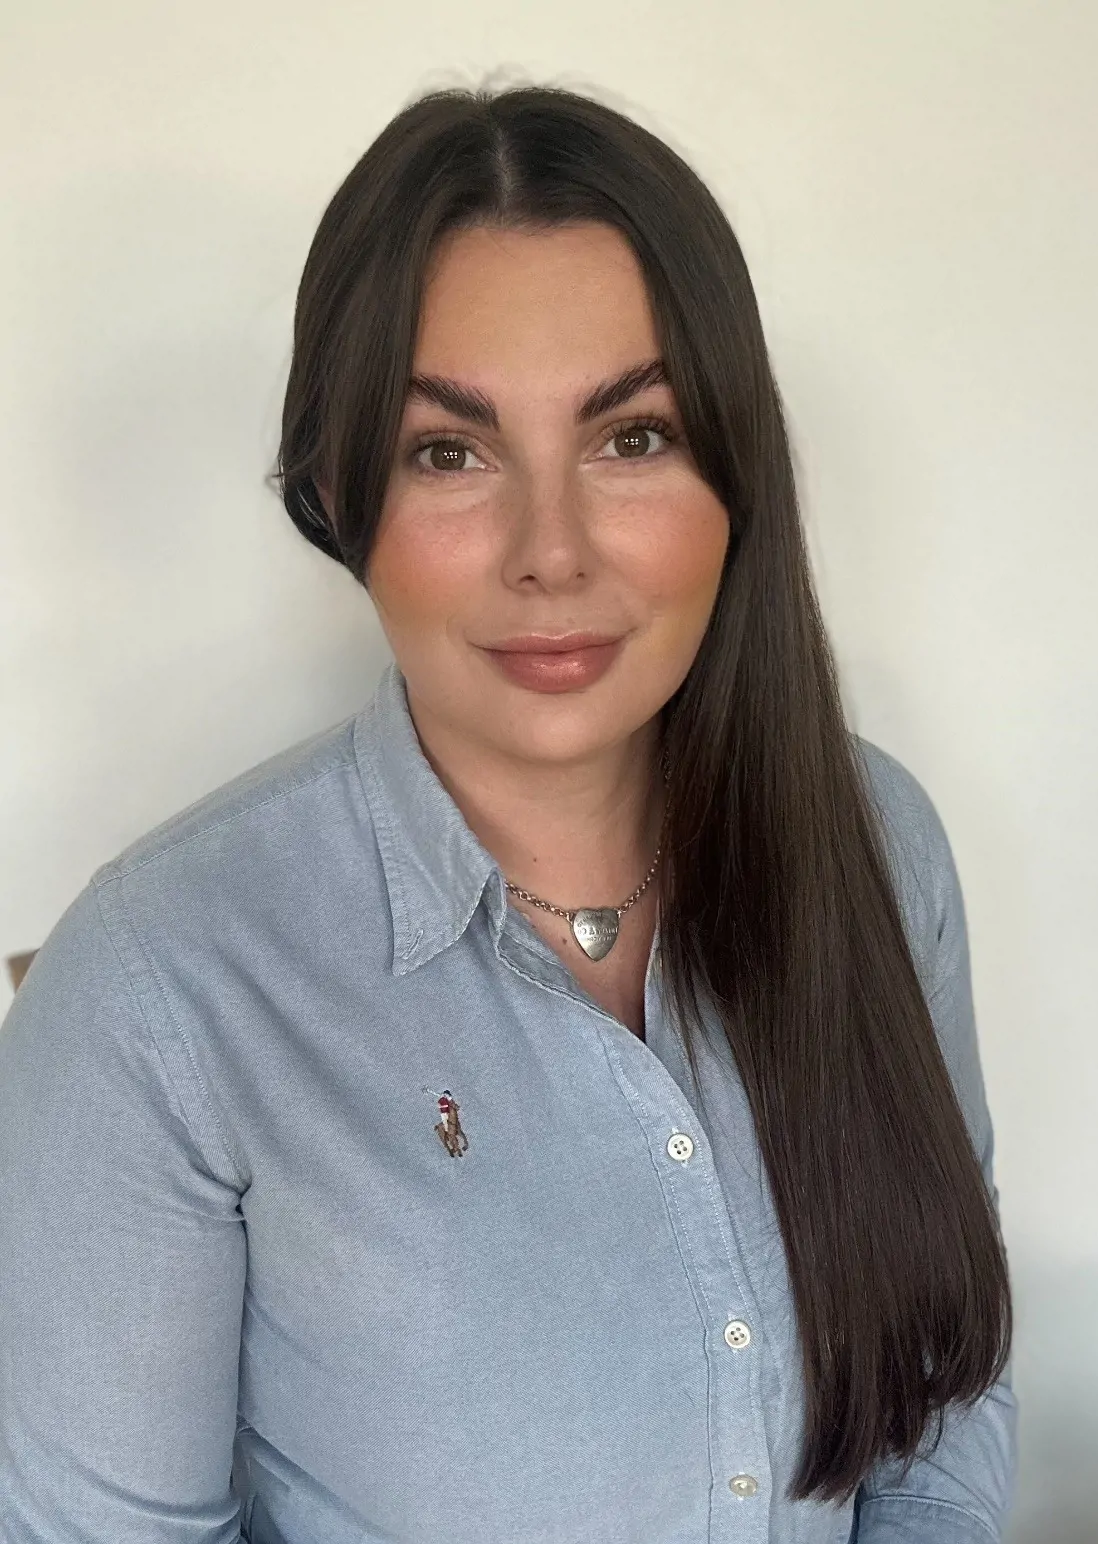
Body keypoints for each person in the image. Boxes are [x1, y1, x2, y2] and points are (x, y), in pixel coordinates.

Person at [0, 84, 1016, 1542]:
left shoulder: (878, 845)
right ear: (342, 492)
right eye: (449, 451)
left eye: (632, 437)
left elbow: (937, 1406)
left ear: (736, 470)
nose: (552, 552)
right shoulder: (159, 990)